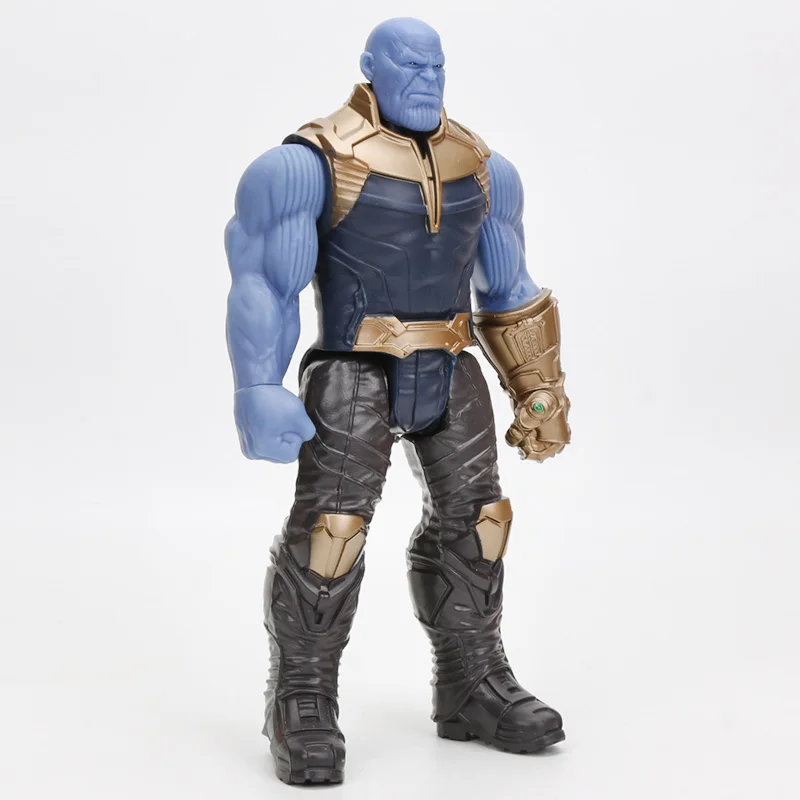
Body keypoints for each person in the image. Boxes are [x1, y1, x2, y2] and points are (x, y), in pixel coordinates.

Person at [224, 16, 571, 785]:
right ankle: (302, 699)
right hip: (355, 370)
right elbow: (265, 282)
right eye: (410, 65)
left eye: (435, 65)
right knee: (333, 530)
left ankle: (473, 683)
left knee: (482, 522)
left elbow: (510, 289)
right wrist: (258, 385)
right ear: (370, 67)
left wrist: (541, 391)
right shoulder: (309, 162)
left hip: (451, 363)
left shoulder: (484, 168)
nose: (426, 78)